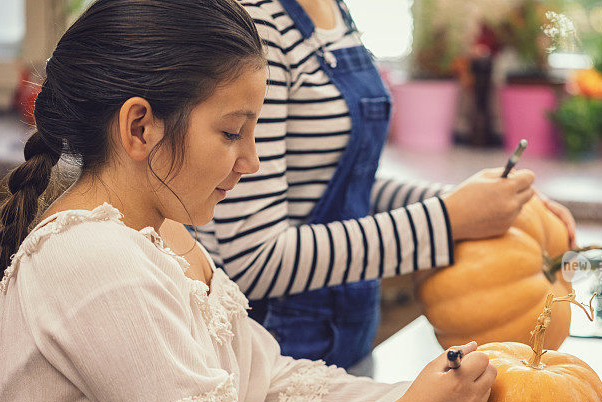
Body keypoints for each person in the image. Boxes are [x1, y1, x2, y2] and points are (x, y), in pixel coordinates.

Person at [0, 1, 496, 402]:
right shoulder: (91, 259)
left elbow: (266, 382)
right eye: (232, 133)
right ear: (140, 127)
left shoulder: (167, 237)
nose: (251, 161)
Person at [197, 0, 575, 372]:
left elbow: (343, 185)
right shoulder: (259, 21)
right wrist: (447, 218)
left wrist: (472, 202)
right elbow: (252, 260)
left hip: (350, 335)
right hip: (276, 350)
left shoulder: (334, 10)